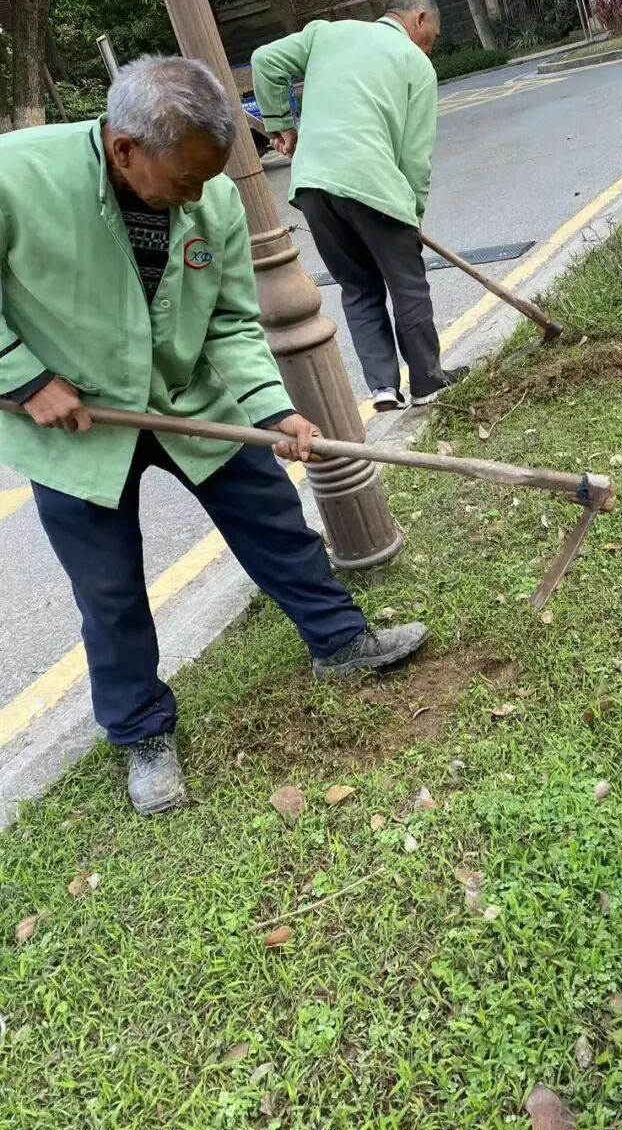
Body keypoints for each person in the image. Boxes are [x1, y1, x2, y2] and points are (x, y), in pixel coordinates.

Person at [0, 57, 429, 817]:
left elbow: (230, 320)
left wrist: (271, 411)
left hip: (187, 398)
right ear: (125, 148)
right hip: (76, 422)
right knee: (108, 588)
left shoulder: (215, 197)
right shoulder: (17, 176)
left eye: (208, 179)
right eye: (184, 181)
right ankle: (142, 732)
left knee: (273, 519)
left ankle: (340, 641)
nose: (198, 197)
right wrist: (26, 380)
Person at [252, 0, 467, 413]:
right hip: (374, 183)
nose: (431, 47)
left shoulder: (326, 34)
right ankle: (427, 381)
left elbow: (264, 60)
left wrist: (281, 124)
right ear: (419, 19)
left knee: (358, 287)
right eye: (434, 37)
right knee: (407, 286)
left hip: (313, 186)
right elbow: (414, 156)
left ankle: (383, 387)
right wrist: (412, 213)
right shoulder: (415, 63)